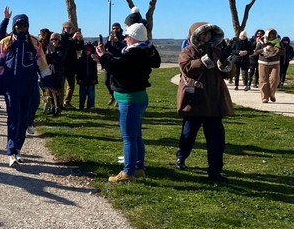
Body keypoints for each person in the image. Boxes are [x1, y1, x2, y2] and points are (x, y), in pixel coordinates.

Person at [95, 22, 161, 182]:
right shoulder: (146, 50)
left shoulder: (134, 54)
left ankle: (128, 172)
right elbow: (121, 63)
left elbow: (117, 68)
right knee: (137, 136)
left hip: (129, 99)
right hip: (139, 97)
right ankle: (138, 168)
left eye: (127, 36)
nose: (125, 39)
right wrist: (106, 56)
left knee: (129, 138)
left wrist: (103, 56)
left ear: (132, 38)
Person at [175, 22, 235, 181]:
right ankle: (181, 156)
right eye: (203, 34)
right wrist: (205, 59)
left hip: (214, 101)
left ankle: (215, 171)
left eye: (209, 33)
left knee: (216, 139)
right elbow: (187, 68)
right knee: (188, 134)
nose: (207, 36)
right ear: (195, 35)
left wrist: (224, 61)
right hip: (195, 100)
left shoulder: (217, 50)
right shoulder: (187, 51)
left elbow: (228, 75)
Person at [0, 14, 52, 167]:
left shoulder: (34, 43)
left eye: (24, 26)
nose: (21, 28)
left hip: (29, 85)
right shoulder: (5, 42)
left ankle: (18, 148)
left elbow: (42, 63)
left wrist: (47, 80)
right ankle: (11, 151)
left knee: (24, 119)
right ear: (14, 27)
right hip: (11, 86)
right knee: (13, 118)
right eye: (18, 26)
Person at [254, 28, 282, 103]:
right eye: (270, 34)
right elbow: (256, 52)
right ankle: (264, 97)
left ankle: (272, 94)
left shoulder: (278, 41)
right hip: (263, 62)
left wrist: (276, 49)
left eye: (273, 34)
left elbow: (283, 52)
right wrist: (264, 49)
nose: (272, 35)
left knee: (274, 79)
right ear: (267, 34)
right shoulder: (261, 41)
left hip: (275, 62)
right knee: (263, 80)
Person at [76, 44, 98, 110]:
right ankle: (81, 106)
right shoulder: (80, 59)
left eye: (88, 50)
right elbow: (78, 70)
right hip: (82, 79)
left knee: (91, 93)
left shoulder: (93, 60)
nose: (87, 51)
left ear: (91, 51)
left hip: (91, 78)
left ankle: (91, 106)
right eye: (85, 50)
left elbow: (95, 70)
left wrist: (95, 78)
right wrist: (78, 78)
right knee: (82, 93)